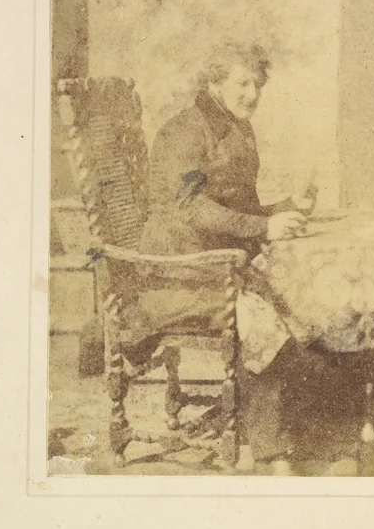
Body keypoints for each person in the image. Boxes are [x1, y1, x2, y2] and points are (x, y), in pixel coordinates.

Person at [128, 41, 318, 475]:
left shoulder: (236, 126)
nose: (252, 93)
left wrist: (280, 208)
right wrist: (263, 228)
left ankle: (267, 421)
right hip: (178, 273)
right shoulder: (185, 133)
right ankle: (270, 453)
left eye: (258, 84)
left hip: (217, 261)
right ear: (214, 82)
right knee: (263, 320)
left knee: (301, 298)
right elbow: (189, 207)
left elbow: (238, 205)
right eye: (242, 83)